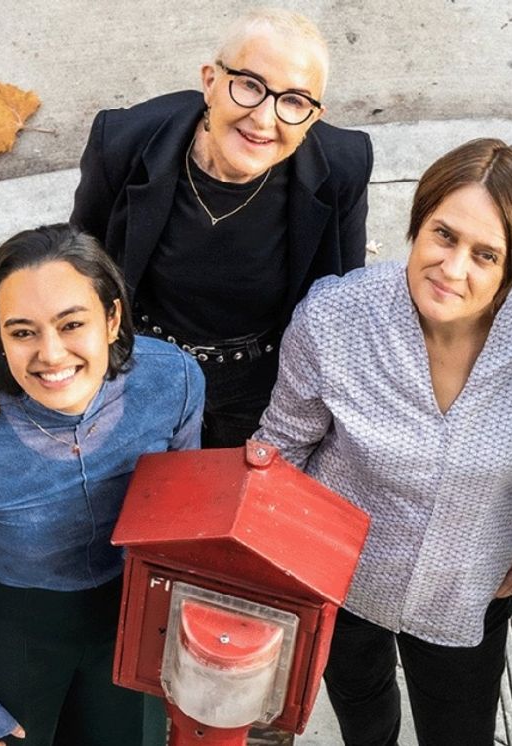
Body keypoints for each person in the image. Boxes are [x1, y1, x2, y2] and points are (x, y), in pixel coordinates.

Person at [254, 138, 512, 746]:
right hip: (337, 576)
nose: (453, 270)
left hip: (468, 589)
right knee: (362, 712)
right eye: (443, 235)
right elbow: (283, 448)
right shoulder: (334, 315)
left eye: (486, 255)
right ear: (418, 222)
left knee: (459, 731)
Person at [0, 224, 204, 746]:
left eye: (72, 324)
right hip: (15, 630)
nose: (51, 354)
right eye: (22, 332)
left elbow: (181, 527)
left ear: (112, 318)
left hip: (129, 617)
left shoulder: (174, 381)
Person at [61, 7, 371, 448]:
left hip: (262, 378)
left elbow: (341, 297)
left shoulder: (342, 167)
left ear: (313, 118)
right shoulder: (124, 141)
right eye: (249, 84)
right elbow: (77, 265)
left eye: (294, 101)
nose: (264, 119)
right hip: (147, 362)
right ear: (210, 81)